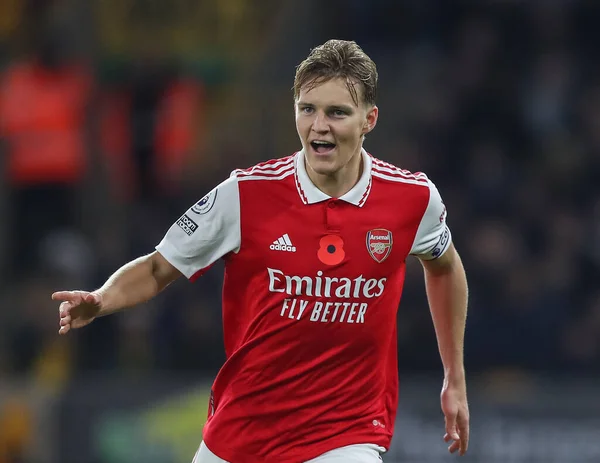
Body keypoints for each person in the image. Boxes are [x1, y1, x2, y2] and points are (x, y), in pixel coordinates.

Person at [53, 39, 470, 462]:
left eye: (337, 112)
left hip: (346, 434)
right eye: (307, 109)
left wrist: (453, 377)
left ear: (369, 120)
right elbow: (160, 267)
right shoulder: (245, 195)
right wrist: (102, 299)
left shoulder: (412, 199)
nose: (319, 125)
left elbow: (445, 267)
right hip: (243, 432)